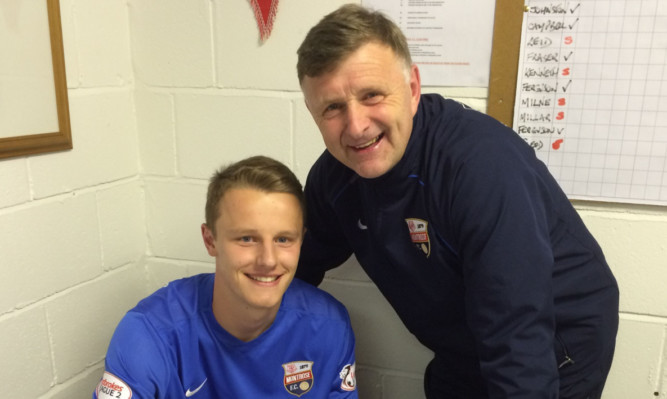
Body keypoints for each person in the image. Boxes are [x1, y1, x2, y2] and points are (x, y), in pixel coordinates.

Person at [295, 4, 618, 399]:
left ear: (412, 89)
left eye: (372, 95)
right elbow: (296, 265)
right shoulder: (334, 178)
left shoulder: (478, 168)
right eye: (332, 107)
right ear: (312, 112)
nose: (357, 126)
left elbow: (517, 336)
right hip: (463, 342)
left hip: (554, 340)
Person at [93, 156, 358, 399]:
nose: (268, 259)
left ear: (301, 241)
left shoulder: (329, 326)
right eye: (246, 238)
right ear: (210, 240)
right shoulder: (149, 334)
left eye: (283, 239)